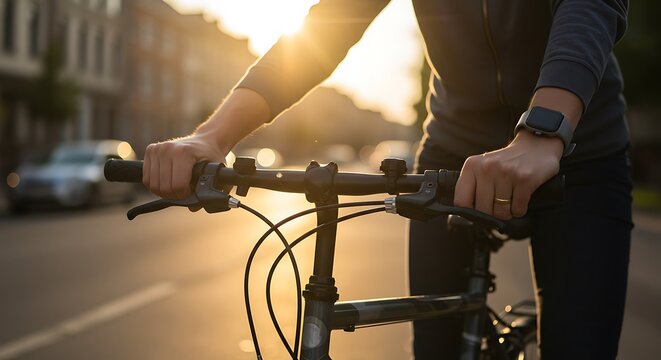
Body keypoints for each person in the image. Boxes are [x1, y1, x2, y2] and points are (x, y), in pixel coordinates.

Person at [143, 1, 632, 358]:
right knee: (434, 349)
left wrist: (544, 130)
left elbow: (588, 8)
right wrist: (210, 138)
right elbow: (326, 29)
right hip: (453, 158)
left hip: (576, 154)